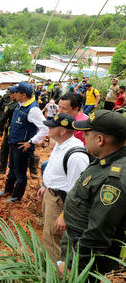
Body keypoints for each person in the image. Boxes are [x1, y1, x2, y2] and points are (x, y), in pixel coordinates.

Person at [59, 110, 126, 274]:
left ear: (100, 139)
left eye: (86, 134)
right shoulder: (105, 158)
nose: (83, 137)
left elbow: (98, 233)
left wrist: (72, 266)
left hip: (83, 257)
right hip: (75, 240)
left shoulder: (113, 180)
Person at [36, 113, 89, 262]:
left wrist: (65, 214)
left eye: (52, 126)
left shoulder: (76, 155)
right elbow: (58, 171)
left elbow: (78, 191)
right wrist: (46, 186)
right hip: (51, 195)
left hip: (61, 202)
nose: (49, 128)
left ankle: (54, 272)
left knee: (54, 240)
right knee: (48, 234)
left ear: (63, 131)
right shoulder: (60, 145)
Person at [0, 82, 49, 202]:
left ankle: (16, 197)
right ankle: (7, 191)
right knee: (12, 168)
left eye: (16, 92)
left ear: (23, 95)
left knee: (20, 172)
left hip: (23, 146)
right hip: (14, 144)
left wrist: (31, 142)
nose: (14, 94)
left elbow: (45, 128)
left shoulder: (33, 110)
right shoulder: (21, 104)